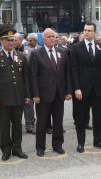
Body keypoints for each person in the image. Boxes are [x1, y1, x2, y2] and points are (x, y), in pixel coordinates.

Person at [0, 29, 30, 161]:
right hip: (3, 98)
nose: (11, 42)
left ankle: (17, 149)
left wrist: (27, 95)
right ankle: (6, 150)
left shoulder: (21, 56)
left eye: (13, 40)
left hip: (19, 97)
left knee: (17, 124)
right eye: (7, 40)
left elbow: (26, 78)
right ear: (1, 41)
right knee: (5, 126)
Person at [70, 21, 101, 153]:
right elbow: (74, 70)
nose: (86, 32)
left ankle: (98, 140)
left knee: (98, 117)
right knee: (81, 117)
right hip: (82, 90)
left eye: (89, 30)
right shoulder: (76, 47)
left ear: (94, 33)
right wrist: (76, 88)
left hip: (98, 89)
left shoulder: (100, 47)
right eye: (84, 30)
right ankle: (80, 143)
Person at [30, 28, 71, 157]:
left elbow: (66, 73)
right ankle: (40, 147)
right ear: (43, 39)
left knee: (58, 121)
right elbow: (33, 76)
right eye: (49, 36)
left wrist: (69, 91)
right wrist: (35, 94)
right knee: (42, 122)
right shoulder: (36, 53)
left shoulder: (62, 52)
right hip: (43, 94)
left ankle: (58, 144)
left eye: (54, 36)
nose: (52, 39)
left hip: (59, 93)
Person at [22, 32, 39, 135]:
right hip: (29, 81)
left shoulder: (41, 48)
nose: (29, 42)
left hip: (40, 81)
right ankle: (30, 125)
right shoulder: (25, 51)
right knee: (29, 106)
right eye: (28, 40)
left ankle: (44, 124)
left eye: (30, 40)